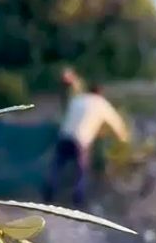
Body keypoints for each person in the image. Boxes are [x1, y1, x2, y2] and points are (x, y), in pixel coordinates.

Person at [42, 77, 130, 207]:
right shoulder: (102, 104)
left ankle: (49, 194)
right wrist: (123, 138)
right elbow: (116, 123)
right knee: (81, 171)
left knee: (57, 166)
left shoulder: (78, 99)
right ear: (101, 92)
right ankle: (78, 199)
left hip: (64, 136)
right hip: (80, 141)